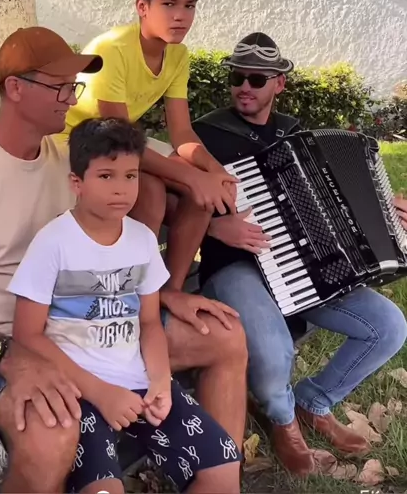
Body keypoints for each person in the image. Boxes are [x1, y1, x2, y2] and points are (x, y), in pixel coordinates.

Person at [0, 25, 247, 494]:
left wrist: (165, 292)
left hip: (93, 325)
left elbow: (134, 204)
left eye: (72, 87)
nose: (71, 99)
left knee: (223, 335)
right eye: (60, 87)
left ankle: (214, 471)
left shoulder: (70, 160)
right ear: (15, 88)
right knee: (52, 432)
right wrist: (7, 355)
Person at [165, 32, 407, 478]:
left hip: (302, 269)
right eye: (237, 77)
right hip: (234, 267)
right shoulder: (203, 136)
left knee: (389, 326)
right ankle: (282, 422)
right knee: (275, 351)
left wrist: (385, 209)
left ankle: (314, 403)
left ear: (279, 84)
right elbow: (165, 203)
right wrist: (215, 227)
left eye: (257, 79)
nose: (244, 87)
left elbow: (336, 204)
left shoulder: (297, 134)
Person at [56, 0, 249, 450]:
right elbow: (120, 139)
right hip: (82, 147)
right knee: (158, 187)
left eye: (189, 5)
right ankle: (149, 289)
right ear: (142, 7)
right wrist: (190, 175)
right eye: (168, 4)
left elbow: (181, 134)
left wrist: (213, 171)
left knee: (202, 193)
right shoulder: (112, 50)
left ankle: (171, 288)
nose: (181, 15)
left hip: (126, 145)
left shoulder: (178, 56)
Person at [9, 118, 241, 494]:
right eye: (106, 176)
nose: (121, 188)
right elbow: (27, 335)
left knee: (223, 467)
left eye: (130, 176)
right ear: (77, 183)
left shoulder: (142, 240)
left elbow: (149, 322)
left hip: (138, 384)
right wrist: (100, 392)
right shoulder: (54, 243)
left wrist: (160, 381)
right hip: (78, 392)